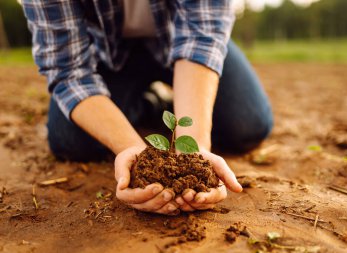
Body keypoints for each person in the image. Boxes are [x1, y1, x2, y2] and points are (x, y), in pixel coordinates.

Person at [22, 0, 273, 215]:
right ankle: (149, 105)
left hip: (183, 41)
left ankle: (165, 106)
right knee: (70, 140)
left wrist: (195, 152)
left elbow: (202, 39)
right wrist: (133, 151)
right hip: (105, 52)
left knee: (246, 124)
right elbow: (68, 72)